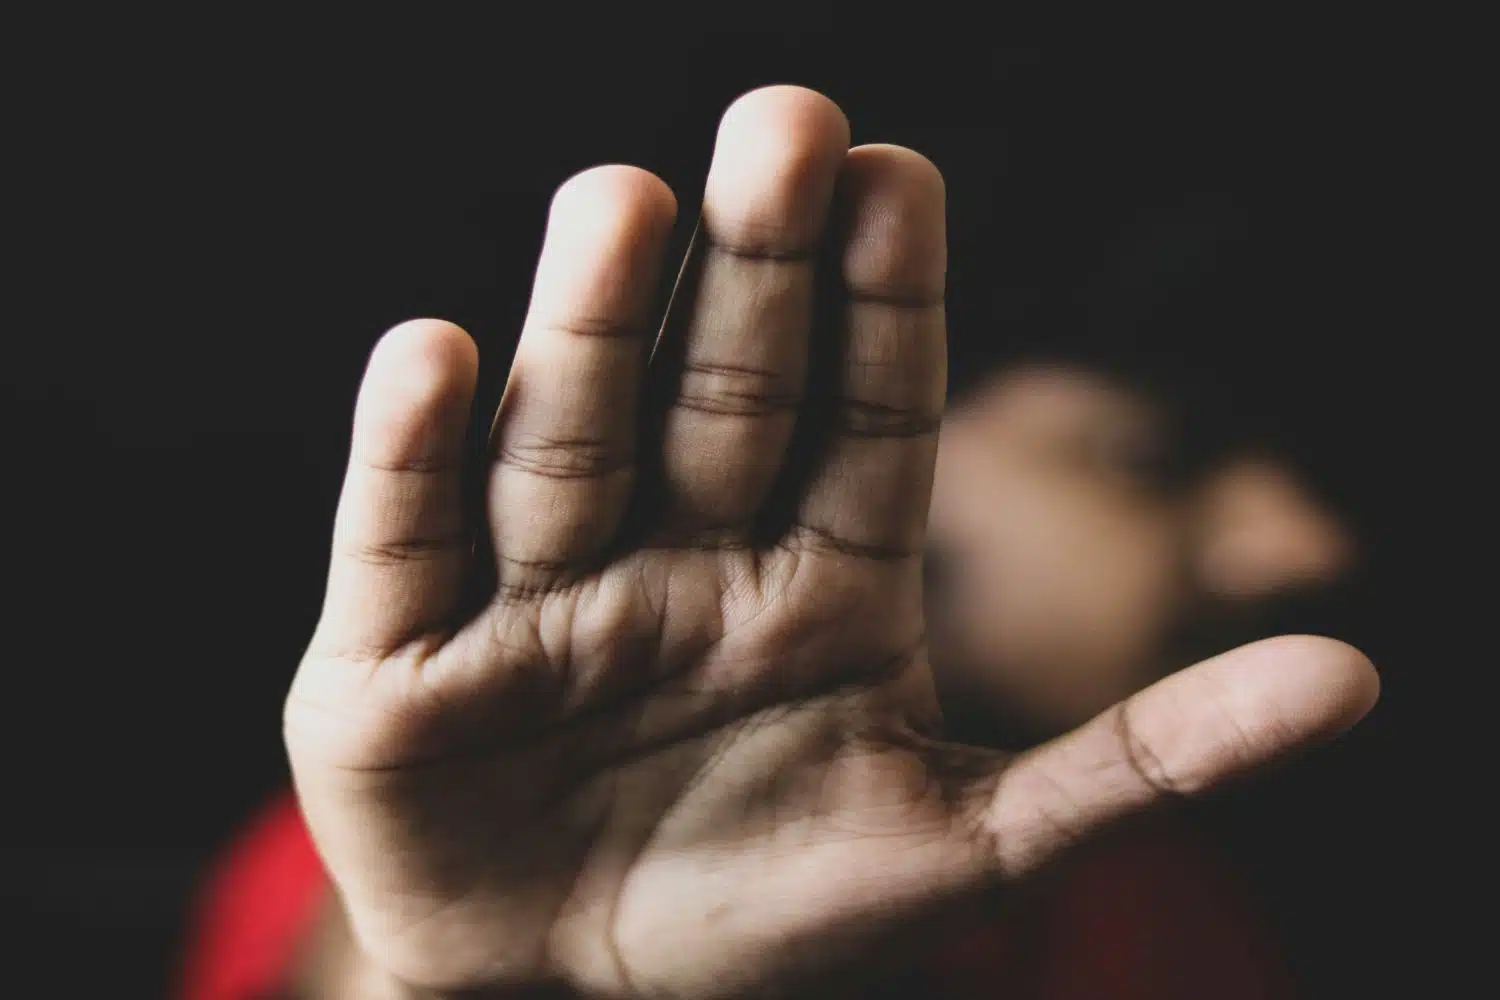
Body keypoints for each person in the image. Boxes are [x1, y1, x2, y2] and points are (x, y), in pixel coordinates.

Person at [178, 85, 1378, 1000]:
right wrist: (483, 980)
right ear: (866, 421)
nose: (1305, 546)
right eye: (1151, 458)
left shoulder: (1151, 892)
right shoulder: (437, 816)